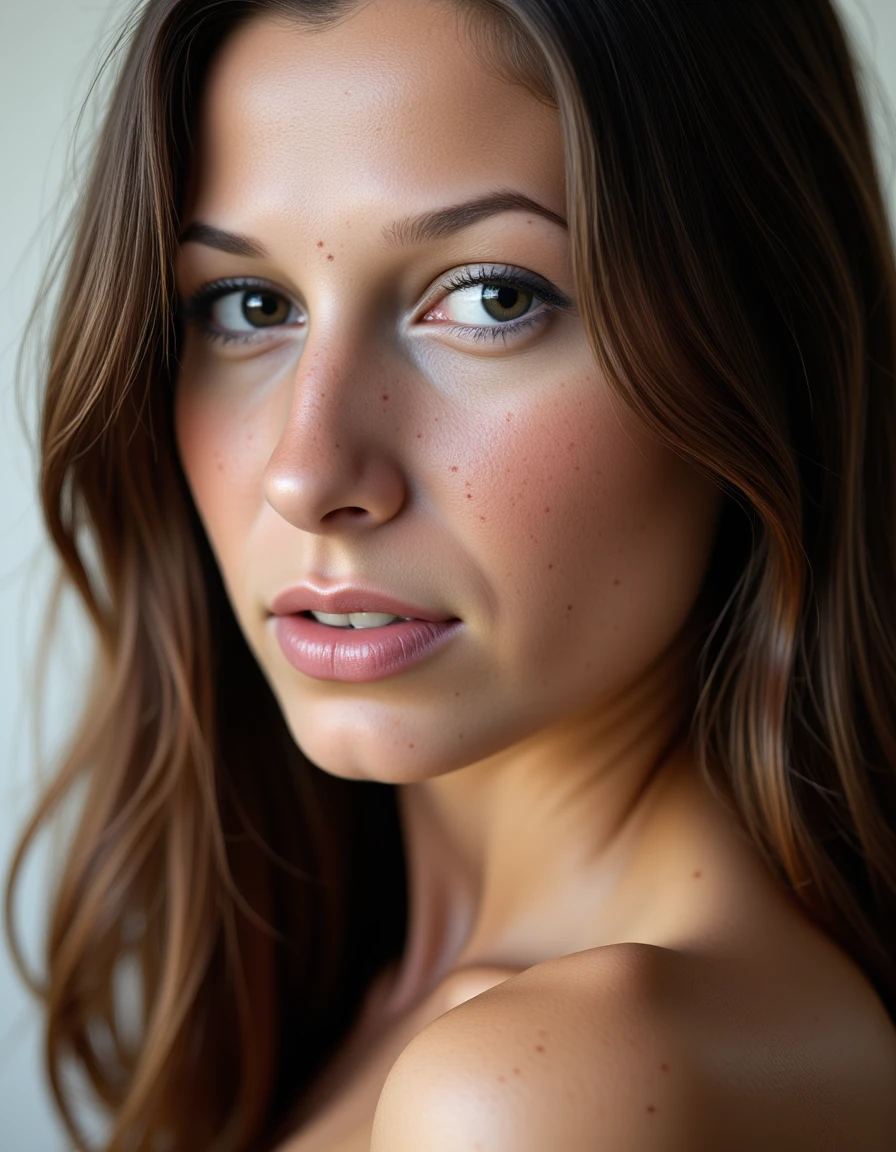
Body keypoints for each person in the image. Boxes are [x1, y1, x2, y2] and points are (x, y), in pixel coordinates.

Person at [6, 0, 896, 1148]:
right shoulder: (362, 999)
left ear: (760, 350)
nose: (306, 470)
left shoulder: (541, 1090)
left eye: (490, 297)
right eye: (249, 306)